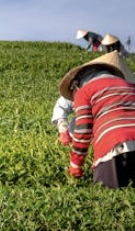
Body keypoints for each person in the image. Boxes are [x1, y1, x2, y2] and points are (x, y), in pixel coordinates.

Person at [58, 51, 135, 187]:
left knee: (110, 199)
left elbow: (83, 130)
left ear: (76, 84)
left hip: (114, 146)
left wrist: (75, 164)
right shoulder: (131, 87)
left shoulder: (85, 91)